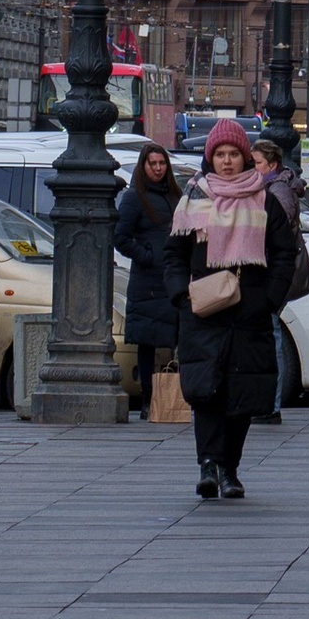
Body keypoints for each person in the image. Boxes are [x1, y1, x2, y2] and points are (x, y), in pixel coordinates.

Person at [167, 117, 299, 500]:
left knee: (242, 393)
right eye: (220, 155)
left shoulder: (265, 200)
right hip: (204, 309)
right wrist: (181, 295)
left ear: (245, 157)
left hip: (249, 310)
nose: (227, 162)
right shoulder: (193, 197)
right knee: (205, 390)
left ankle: (230, 469)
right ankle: (208, 464)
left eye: (234, 155)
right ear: (211, 158)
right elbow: (173, 253)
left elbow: (283, 255)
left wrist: (269, 300)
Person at [111, 141, 181, 418]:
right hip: (148, 281)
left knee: (178, 336)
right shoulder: (134, 197)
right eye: (152, 164)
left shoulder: (175, 195)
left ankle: (177, 397)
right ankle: (147, 400)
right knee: (147, 342)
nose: (158, 168)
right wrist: (148, 256)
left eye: (162, 163)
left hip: (173, 277)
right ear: (143, 166)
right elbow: (121, 237)